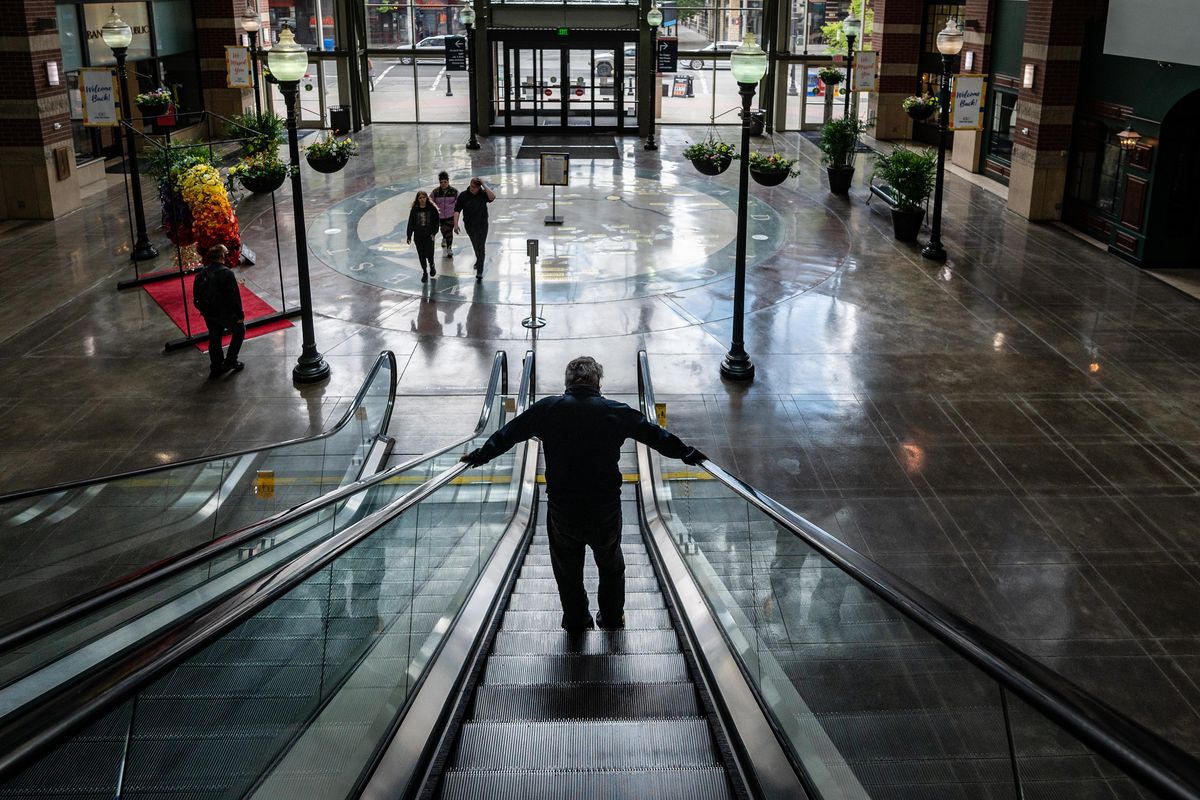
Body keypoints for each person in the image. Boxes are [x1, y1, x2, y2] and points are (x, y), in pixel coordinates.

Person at [460, 357, 706, 631]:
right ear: (598, 382)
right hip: (605, 509)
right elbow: (656, 436)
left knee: (567, 569)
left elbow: (508, 434)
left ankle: (577, 619)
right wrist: (687, 453)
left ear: (567, 382)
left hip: (563, 509)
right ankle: (612, 618)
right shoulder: (615, 411)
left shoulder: (547, 409)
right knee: (611, 564)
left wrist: (479, 456)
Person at [192, 244, 245, 379]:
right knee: (240, 330)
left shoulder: (202, 273)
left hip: (209, 312)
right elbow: (234, 297)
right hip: (224, 313)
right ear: (222, 256)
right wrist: (239, 315)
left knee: (215, 337)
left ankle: (216, 366)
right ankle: (231, 360)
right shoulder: (226, 273)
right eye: (226, 254)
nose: (228, 256)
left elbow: (196, 296)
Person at [452, 176, 495, 280]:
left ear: (479, 188)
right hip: (469, 225)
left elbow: (492, 197)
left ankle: (480, 270)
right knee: (475, 245)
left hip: (482, 225)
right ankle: (479, 260)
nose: (472, 188)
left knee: (481, 247)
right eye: (471, 186)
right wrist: (455, 224)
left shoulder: (483, 194)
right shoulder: (463, 195)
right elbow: (457, 210)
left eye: (475, 187)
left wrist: (484, 185)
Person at [406, 190, 440, 282]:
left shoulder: (432, 208)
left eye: (424, 197)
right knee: (421, 255)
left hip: (429, 236)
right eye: (420, 198)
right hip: (418, 237)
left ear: (427, 198)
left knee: (430, 253)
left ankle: (432, 265)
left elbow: (437, 222)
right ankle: (424, 272)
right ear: (417, 199)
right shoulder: (414, 210)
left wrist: (434, 233)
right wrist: (409, 236)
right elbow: (411, 223)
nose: (422, 199)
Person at [430, 171, 459, 256]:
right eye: (441, 182)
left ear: (448, 181)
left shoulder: (454, 191)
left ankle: (449, 248)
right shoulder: (435, 192)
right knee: (443, 230)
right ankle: (444, 238)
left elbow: (459, 202)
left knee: (449, 232)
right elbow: (430, 201)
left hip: (450, 216)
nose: (443, 184)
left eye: (445, 182)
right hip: (440, 216)